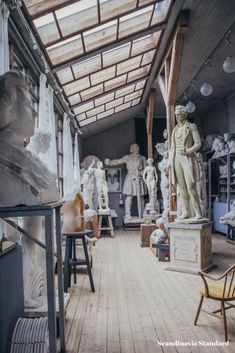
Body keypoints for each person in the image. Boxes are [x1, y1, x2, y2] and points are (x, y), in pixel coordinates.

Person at [0, 70, 59, 206]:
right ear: (9, 109)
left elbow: (51, 191)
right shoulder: (6, 163)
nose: (35, 112)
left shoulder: (24, 156)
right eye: (27, 104)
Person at [169, 105, 202, 220]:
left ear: (185, 114)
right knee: (181, 187)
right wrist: (170, 162)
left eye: (179, 114)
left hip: (187, 158)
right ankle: (186, 211)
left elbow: (198, 143)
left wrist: (188, 151)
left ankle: (198, 212)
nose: (177, 117)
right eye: (176, 115)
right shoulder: (174, 130)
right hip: (176, 158)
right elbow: (172, 147)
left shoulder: (192, 126)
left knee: (191, 185)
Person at [105, 143, 147, 219]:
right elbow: (118, 161)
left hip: (139, 178)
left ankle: (142, 213)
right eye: (133, 147)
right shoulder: (127, 157)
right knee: (129, 196)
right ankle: (127, 213)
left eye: (136, 147)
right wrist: (110, 162)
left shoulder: (142, 158)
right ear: (131, 149)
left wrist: (141, 172)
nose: (135, 148)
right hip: (130, 177)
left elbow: (146, 169)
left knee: (141, 197)